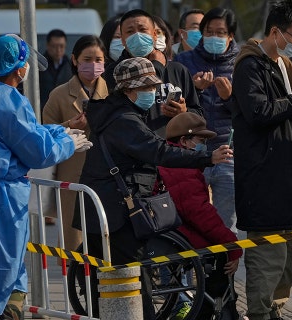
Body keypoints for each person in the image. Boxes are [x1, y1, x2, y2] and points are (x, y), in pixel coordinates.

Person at [73, 57, 233, 319]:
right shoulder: (124, 120)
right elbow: (158, 151)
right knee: (135, 280)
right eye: (146, 89)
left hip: (101, 208)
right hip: (117, 212)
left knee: (102, 280)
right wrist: (207, 158)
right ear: (128, 90)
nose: (151, 93)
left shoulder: (113, 113)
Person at [0, 34, 89, 320]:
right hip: (2, 200)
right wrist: (69, 143)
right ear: (19, 68)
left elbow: (24, 134)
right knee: (4, 278)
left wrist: (60, 130)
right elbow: (37, 152)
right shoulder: (10, 102)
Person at [231, 1, 292, 318]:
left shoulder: (285, 65)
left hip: (291, 178)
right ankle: (258, 313)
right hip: (264, 180)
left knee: (288, 260)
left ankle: (274, 311)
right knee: (267, 259)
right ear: (275, 31)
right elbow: (257, 113)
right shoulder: (249, 66)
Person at [159, 112, 242, 319]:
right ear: (184, 141)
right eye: (200, 141)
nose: (204, 146)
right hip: (178, 233)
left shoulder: (174, 161)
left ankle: (214, 308)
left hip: (174, 227)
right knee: (220, 254)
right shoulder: (182, 168)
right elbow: (200, 214)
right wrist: (232, 245)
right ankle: (220, 310)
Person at [175, 7, 239, 234]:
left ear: (231, 35)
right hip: (193, 152)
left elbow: (249, 113)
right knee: (190, 218)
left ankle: (224, 268)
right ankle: (193, 268)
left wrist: (229, 98)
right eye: (209, 32)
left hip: (228, 154)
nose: (214, 37)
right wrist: (196, 90)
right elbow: (175, 110)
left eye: (220, 32)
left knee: (225, 223)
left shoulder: (242, 63)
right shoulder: (183, 61)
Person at [42, 35, 109, 252]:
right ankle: (74, 282)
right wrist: (69, 126)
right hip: (72, 174)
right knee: (74, 238)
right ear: (74, 60)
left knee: (105, 233)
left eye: (98, 60)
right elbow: (45, 134)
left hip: (107, 173)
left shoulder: (113, 92)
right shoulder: (60, 94)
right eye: (87, 59)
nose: (93, 65)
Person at [103, 9, 203, 138]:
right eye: (130, 32)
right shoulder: (115, 72)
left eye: (142, 30)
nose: (137, 36)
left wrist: (184, 111)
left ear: (154, 35)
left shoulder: (178, 70)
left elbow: (198, 115)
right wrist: (157, 66)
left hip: (173, 152)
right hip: (133, 148)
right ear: (122, 40)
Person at [39, 29, 73, 108]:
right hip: (43, 110)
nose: (58, 50)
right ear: (48, 45)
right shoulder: (39, 66)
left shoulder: (71, 66)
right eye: (54, 46)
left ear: (65, 46)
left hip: (65, 110)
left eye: (61, 46)